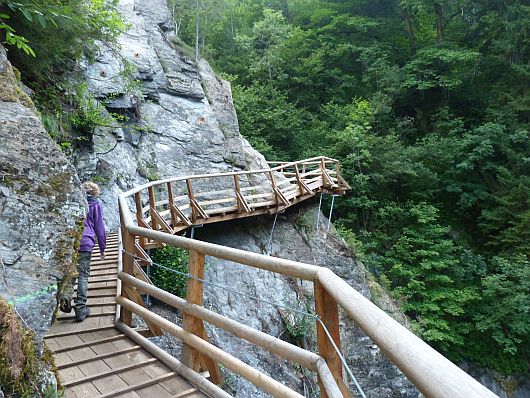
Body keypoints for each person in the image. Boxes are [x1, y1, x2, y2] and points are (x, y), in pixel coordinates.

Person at [60, 181, 107, 322]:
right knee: (83, 275)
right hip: (85, 242)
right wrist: (102, 248)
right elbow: (99, 227)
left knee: (71, 272)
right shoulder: (95, 204)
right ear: (95, 192)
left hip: (71, 240)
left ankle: (65, 299)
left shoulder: (75, 201)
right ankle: (80, 309)